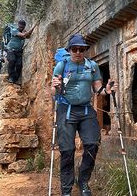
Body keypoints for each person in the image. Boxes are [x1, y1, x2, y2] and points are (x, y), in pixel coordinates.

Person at [51, 34, 115, 196]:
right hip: (66, 110)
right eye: (74, 49)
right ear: (69, 50)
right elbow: (53, 91)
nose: (78, 52)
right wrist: (55, 86)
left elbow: (97, 89)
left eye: (81, 49)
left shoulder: (92, 66)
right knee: (67, 150)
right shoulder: (61, 65)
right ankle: (66, 189)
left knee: (92, 144)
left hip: (86, 110)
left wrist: (106, 91)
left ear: (85, 50)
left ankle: (83, 180)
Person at [5, 20, 35, 84]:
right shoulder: (14, 30)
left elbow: (28, 36)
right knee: (12, 60)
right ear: (18, 25)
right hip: (11, 50)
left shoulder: (23, 31)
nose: (21, 27)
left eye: (22, 26)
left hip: (19, 51)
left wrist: (30, 31)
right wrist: (33, 27)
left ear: (24, 26)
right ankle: (11, 77)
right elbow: (24, 35)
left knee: (19, 65)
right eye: (20, 26)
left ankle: (15, 79)